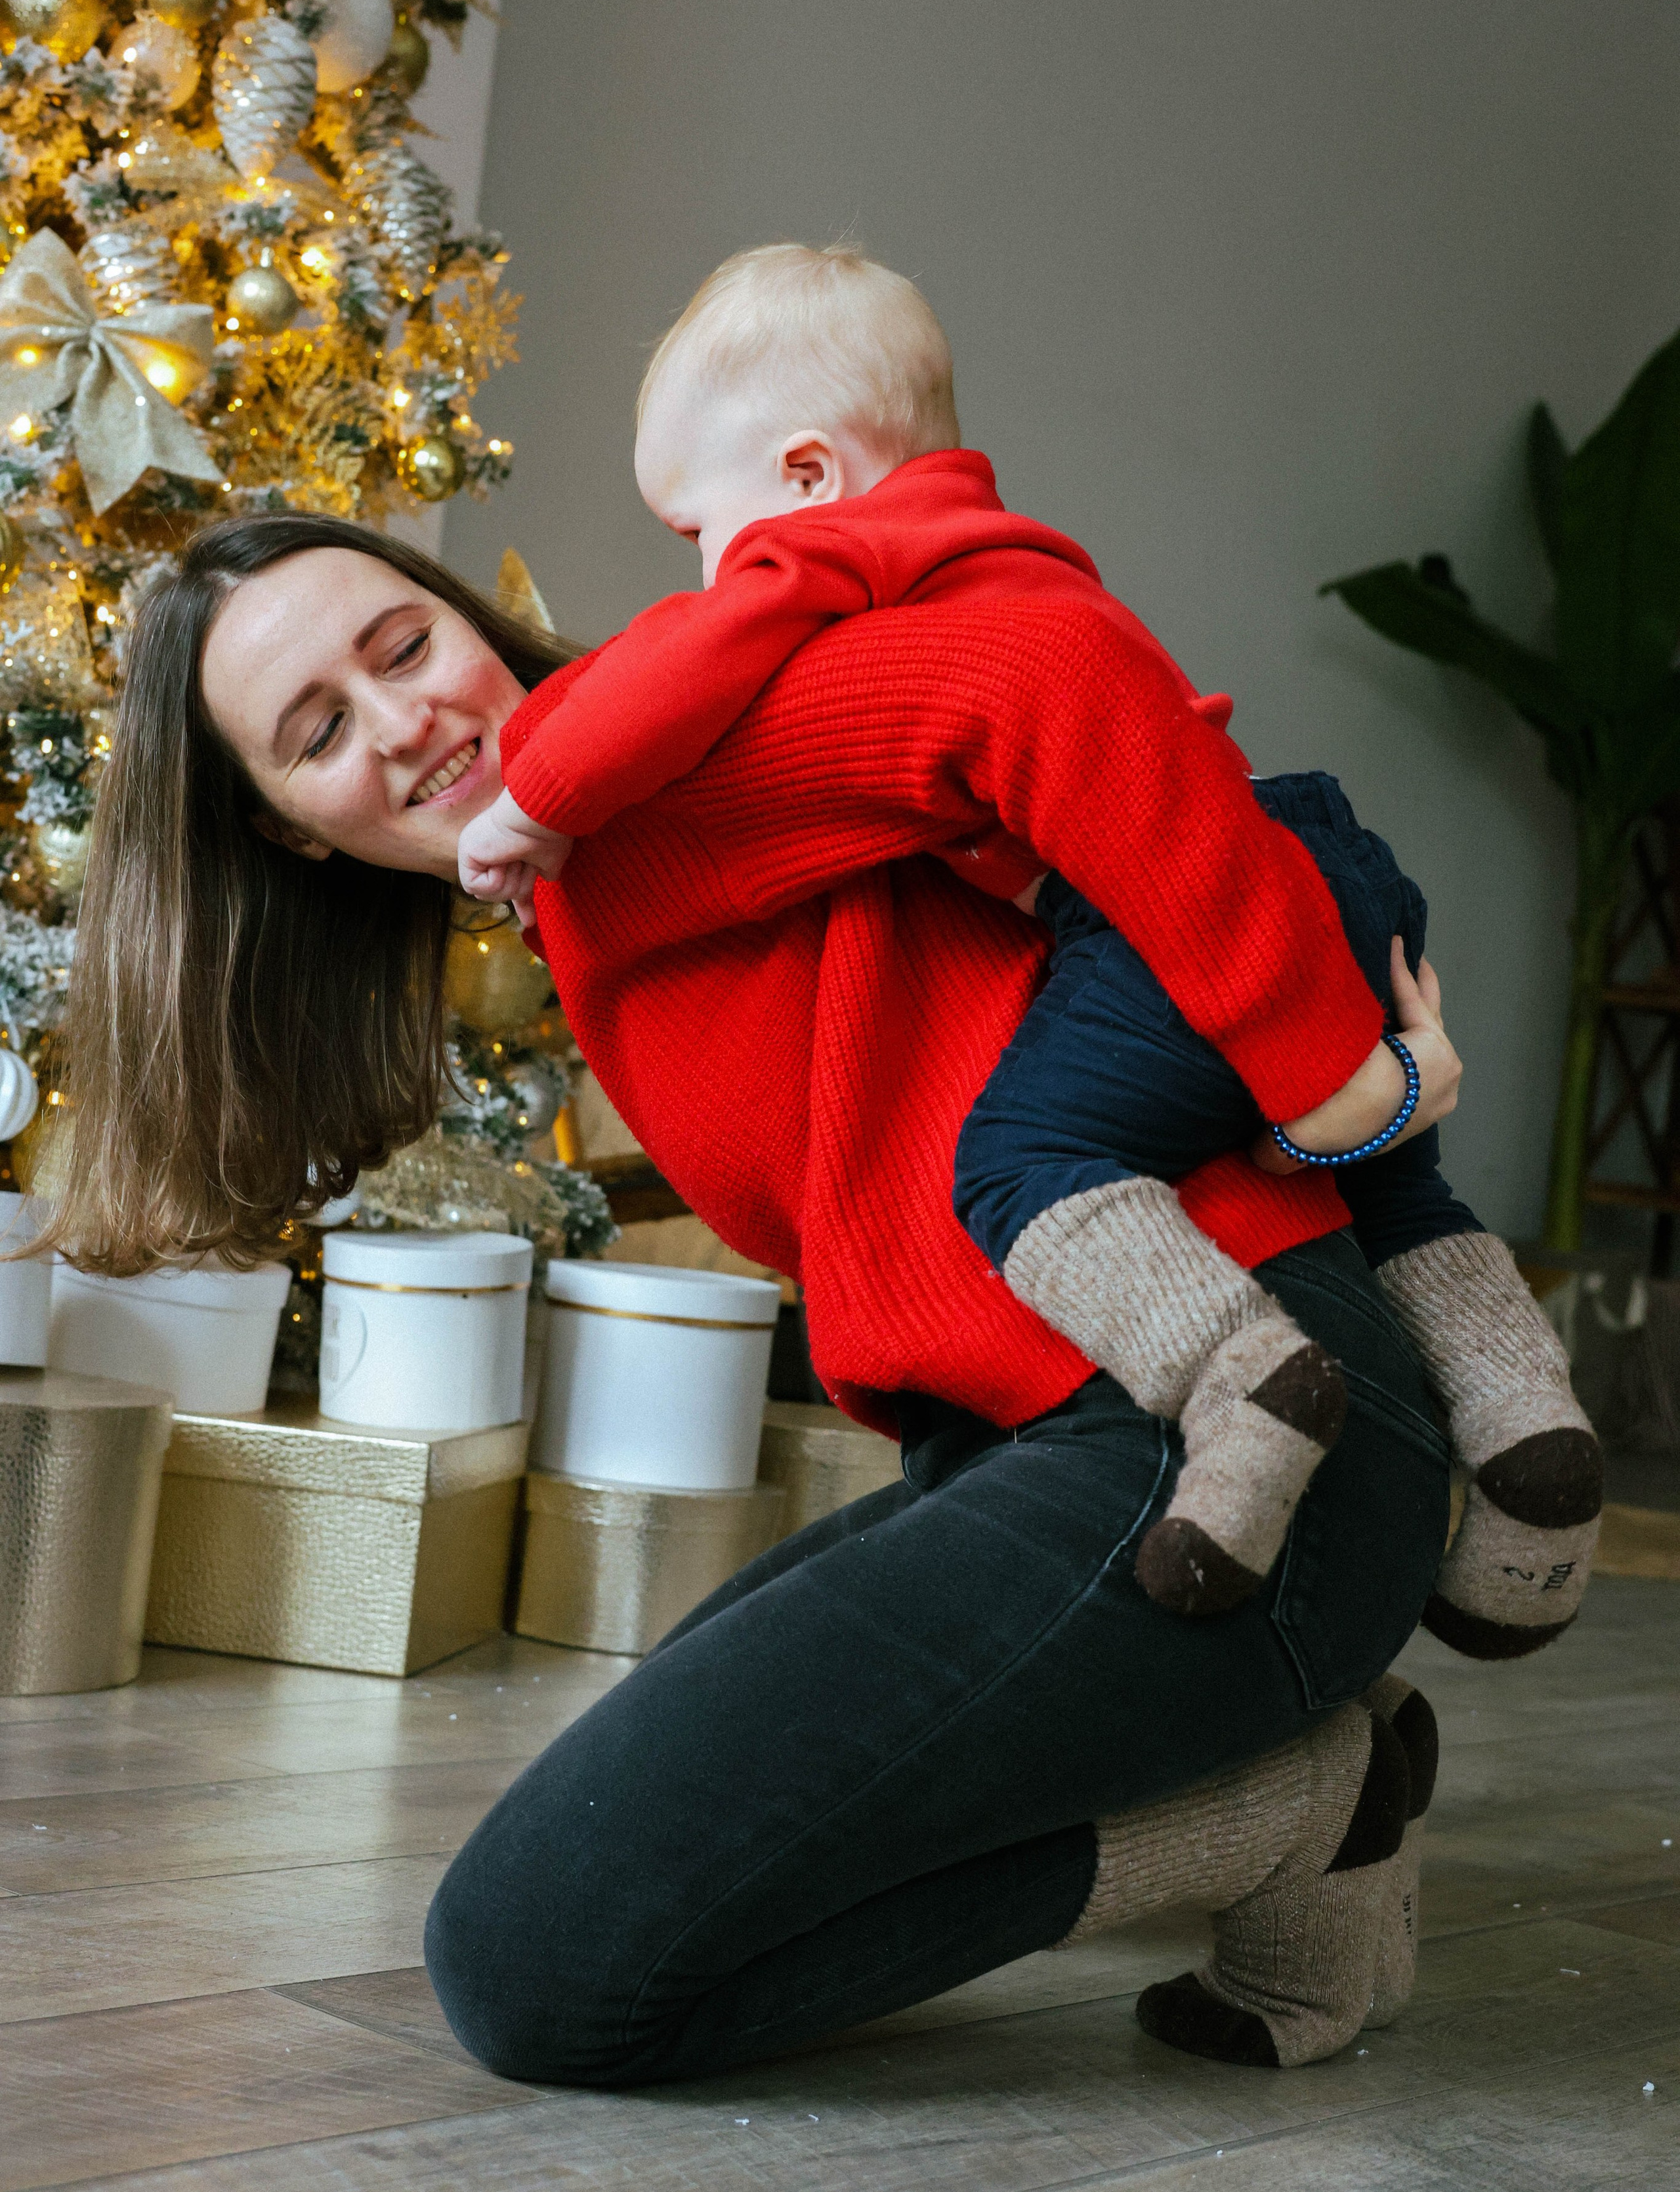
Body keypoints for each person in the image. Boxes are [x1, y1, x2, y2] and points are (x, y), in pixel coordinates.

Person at [52, 510, 1450, 2082]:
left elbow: (1052, 675)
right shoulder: (581, 878)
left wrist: (1355, 1083)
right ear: (287, 831)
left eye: (403, 648)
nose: (406, 722)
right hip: (1065, 1449)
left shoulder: (680, 760)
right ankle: (1303, 1758)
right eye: (318, 732)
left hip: (1240, 1431)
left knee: (543, 1973)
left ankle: (1287, 1808)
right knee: (664, 1832)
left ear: (472, 624)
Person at [458, 243, 1601, 1657]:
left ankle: (1238, 1381)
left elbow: (676, 668)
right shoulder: (991, 552)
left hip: (1171, 894)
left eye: (699, 532)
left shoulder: (824, 558)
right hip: (1299, 837)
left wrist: (535, 800)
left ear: (808, 478)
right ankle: (1529, 1446)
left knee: (1022, 1165)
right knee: (1392, 1194)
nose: (703, 571)